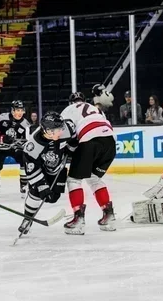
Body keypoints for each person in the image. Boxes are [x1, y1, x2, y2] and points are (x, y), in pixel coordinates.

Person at [60, 92, 117, 235]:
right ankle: (109, 216)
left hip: (89, 139)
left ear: (70, 102)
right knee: (94, 178)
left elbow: (67, 133)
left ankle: (78, 220)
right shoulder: (94, 108)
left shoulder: (68, 110)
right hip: (110, 141)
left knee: (73, 179)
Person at [18, 112, 77, 234]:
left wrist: (71, 149)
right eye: (57, 130)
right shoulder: (33, 145)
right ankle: (27, 219)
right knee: (36, 192)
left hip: (57, 168)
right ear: (47, 131)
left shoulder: (68, 128)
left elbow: (73, 139)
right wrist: (42, 186)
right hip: (41, 168)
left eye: (61, 128)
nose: (61, 132)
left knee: (53, 198)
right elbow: (32, 169)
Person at [0, 100, 30, 198]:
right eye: (17, 110)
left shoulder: (26, 124)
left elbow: (27, 140)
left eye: (21, 110)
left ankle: (23, 185)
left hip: (13, 147)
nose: (19, 113)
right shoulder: (3, 117)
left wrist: (20, 143)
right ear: (12, 110)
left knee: (25, 160)